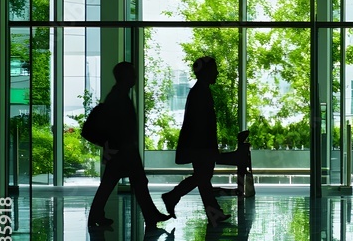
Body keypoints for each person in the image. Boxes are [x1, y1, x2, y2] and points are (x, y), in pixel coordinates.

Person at [161, 56, 249, 226]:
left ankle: (210, 212)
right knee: (203, 176)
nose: (217, 73)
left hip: (198, 145)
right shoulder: (201, 92)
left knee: (203, 177)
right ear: (206, 72)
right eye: (214, 70)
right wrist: (209, 148)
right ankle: (174, 196)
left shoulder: (199, 91)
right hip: (201, 146)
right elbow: (202, 124)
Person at [88, 62, 172, 228]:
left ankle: (97, 215)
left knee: (115, 183)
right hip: (123, 150)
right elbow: (120, 126)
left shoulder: (117, 95)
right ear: (125, 77)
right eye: (132, 74)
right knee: (135, 182)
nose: (135, 77)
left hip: (119, 149)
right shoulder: (119, 97)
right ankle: (150, 215)